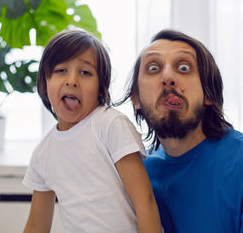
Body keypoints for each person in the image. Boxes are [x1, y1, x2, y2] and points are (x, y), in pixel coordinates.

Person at [120, 29, 243, 232]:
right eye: (153, 68)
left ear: (208, 94)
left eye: (184, 67)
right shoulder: (138, 174)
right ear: (136, 98)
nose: (168, 77)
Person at [23, 29, 161, 233]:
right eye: (61, 70)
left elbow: (145, 201)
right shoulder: (42, 154)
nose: (72, 80)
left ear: (100, 89)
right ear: (45, 84)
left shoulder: (110, 125)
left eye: (85, 72)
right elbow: (36, 225)